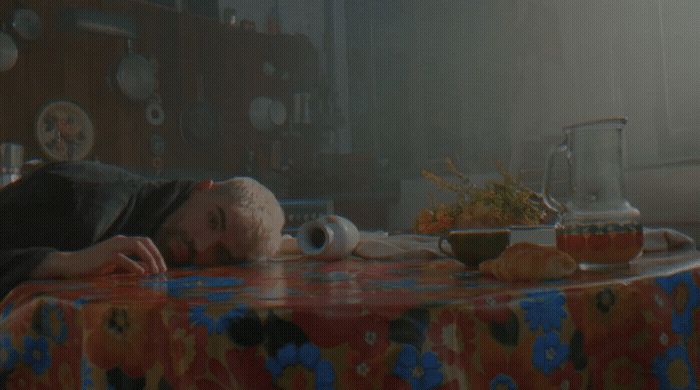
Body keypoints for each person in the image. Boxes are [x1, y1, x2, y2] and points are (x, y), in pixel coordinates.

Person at [0, 161, 285, 298]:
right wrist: (65, 262)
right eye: (213, 220)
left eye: (222, 253)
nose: (202, 245)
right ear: (201, 188)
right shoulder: (78, 199)